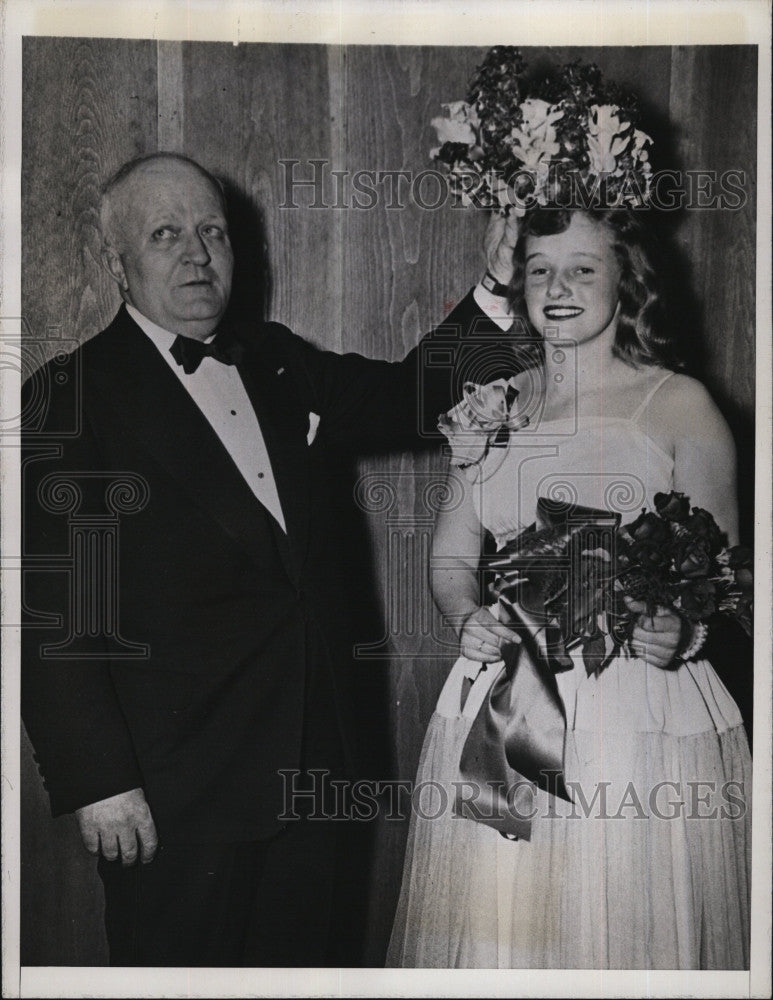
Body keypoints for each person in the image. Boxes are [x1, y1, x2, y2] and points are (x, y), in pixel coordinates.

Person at [20, 152, 519, 967]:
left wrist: (494, 290)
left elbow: (408, 396)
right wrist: (97, 781)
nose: (197, 253)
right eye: (166, 233)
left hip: (315, 770)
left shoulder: (275, 358)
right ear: (116, 262)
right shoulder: (68, 397)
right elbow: (52, 619)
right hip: (176, 793)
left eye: (212, 231)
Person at [387, 205, 752, 969]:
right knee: (503, 931)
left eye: (583, 269)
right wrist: (463, 617)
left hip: (632, 714)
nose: (557, 287)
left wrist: (684, 629)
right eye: (539, 270)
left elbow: (729, 575)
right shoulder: (490, 407)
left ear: (627, 280)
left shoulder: (678, 403)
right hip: (504, 702)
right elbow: (452, 558)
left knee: (618, 927)